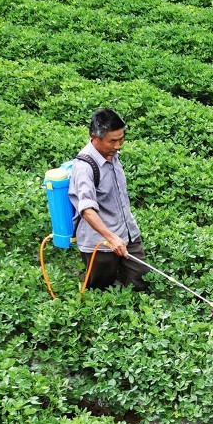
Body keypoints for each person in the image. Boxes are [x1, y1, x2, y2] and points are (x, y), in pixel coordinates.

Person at [68, 108, 150, 291]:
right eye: (113, 141)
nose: (118, 145)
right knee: (100, 290)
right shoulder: (84, 167)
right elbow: (87, 209)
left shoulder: (112, 155)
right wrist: (111, 237)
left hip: (127, 233)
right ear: (94, 137)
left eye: (121, 139)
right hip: (100, 243)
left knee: (141, 280)